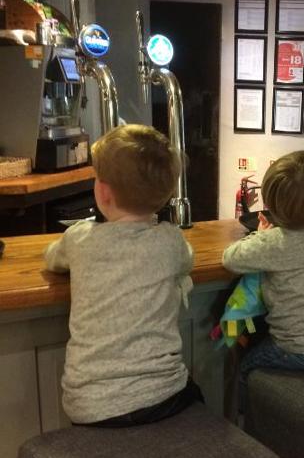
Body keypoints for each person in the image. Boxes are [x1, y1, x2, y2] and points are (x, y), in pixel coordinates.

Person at [45, 123, 202, 426]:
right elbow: (188, 261)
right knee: (196, 395)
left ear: (102, 192)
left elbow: (52, 259)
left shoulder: (80, 239)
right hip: (163, 395)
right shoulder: (170, 240)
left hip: (89, 406)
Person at [222, 150, 304, 389]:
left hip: (299, 350)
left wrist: (260, 234)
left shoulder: (274, 242)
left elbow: (230, 258)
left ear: (269, 205)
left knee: (245, 366)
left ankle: (243, 420)